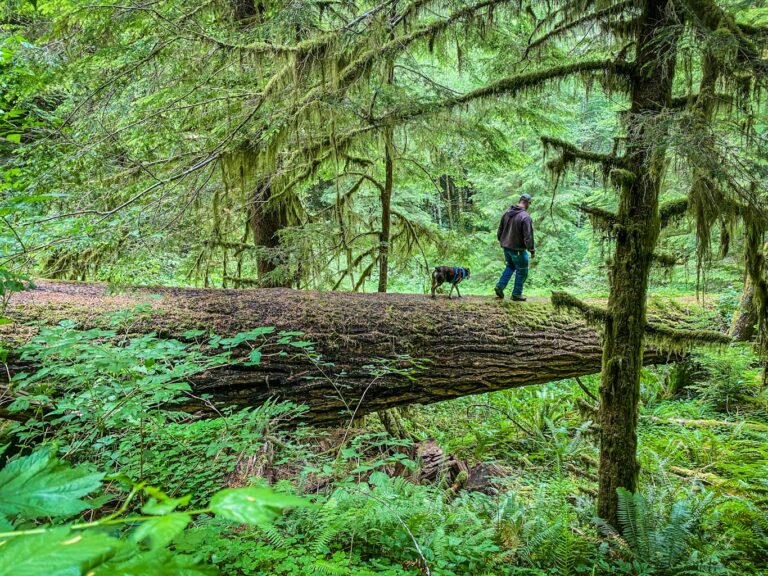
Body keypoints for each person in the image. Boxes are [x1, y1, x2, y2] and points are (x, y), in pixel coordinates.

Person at [494, 193, 535, 301]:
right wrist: (531, 250)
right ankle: (516, 294)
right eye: (529, 203)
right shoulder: (525, 217)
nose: (529, 206)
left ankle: (500, 286)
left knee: (510, 266)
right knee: (522, 270)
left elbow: (500, 230)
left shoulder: (507, 213)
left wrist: (502, 241)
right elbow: (528, 236)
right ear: (526, 202)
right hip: (518, 249)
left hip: (506, 247)